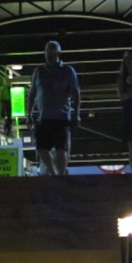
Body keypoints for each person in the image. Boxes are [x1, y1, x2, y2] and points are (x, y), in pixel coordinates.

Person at [28, 40, 81, 177]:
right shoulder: (38, 71)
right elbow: (32, 93)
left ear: (59, 53)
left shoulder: (68, 71)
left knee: (61, 149)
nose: (49, 54)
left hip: (61, 116)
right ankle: (52, 172)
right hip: (43, 116)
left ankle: (61, 175)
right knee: (41, 148)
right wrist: (29, 114)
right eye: (47, 51)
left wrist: (76, 113)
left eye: (52, 51)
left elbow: (75, 93)